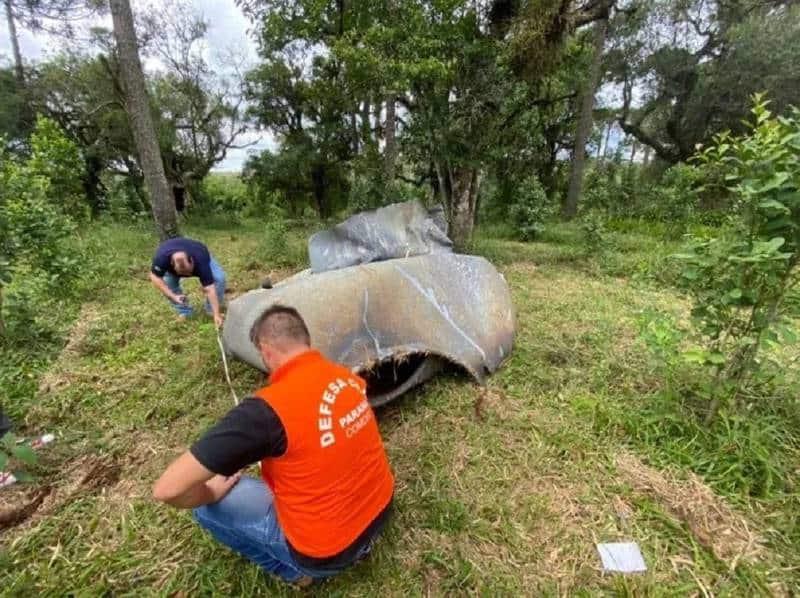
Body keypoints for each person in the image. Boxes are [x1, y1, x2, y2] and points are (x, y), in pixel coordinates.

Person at [152, 305, 395, 585]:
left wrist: (210, 492)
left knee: (206, 507)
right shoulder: (345, 377)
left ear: (266, 351)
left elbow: (167, 489)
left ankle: (296, 573)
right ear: (305, 341)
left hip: (330, 552)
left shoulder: (265, 412)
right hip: (380, 511)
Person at [149, 237, 226, 327]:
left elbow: (209, 288)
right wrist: (173, 296)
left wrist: (216, 314)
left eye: (189, 271)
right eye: (183, 273)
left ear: (192, 261)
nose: (187, 275)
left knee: (219, 278)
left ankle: (211, 310)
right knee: (168, 282)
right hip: (170, 266)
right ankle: (185, 312)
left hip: (198, 250)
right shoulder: (161, 259)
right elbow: (154, 277)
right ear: (172, 264)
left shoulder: (200, 259)